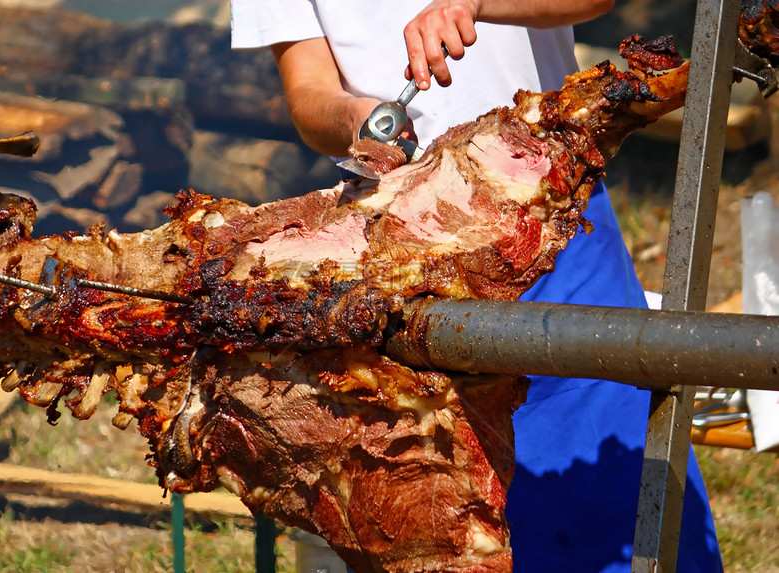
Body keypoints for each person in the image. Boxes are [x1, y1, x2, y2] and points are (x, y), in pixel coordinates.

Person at [230, 2, 724, 571]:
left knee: (620, 493)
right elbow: (308, 91)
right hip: (397, 242)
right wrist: (356, 120)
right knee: (440, 512)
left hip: (548, 208)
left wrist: (475, 4)